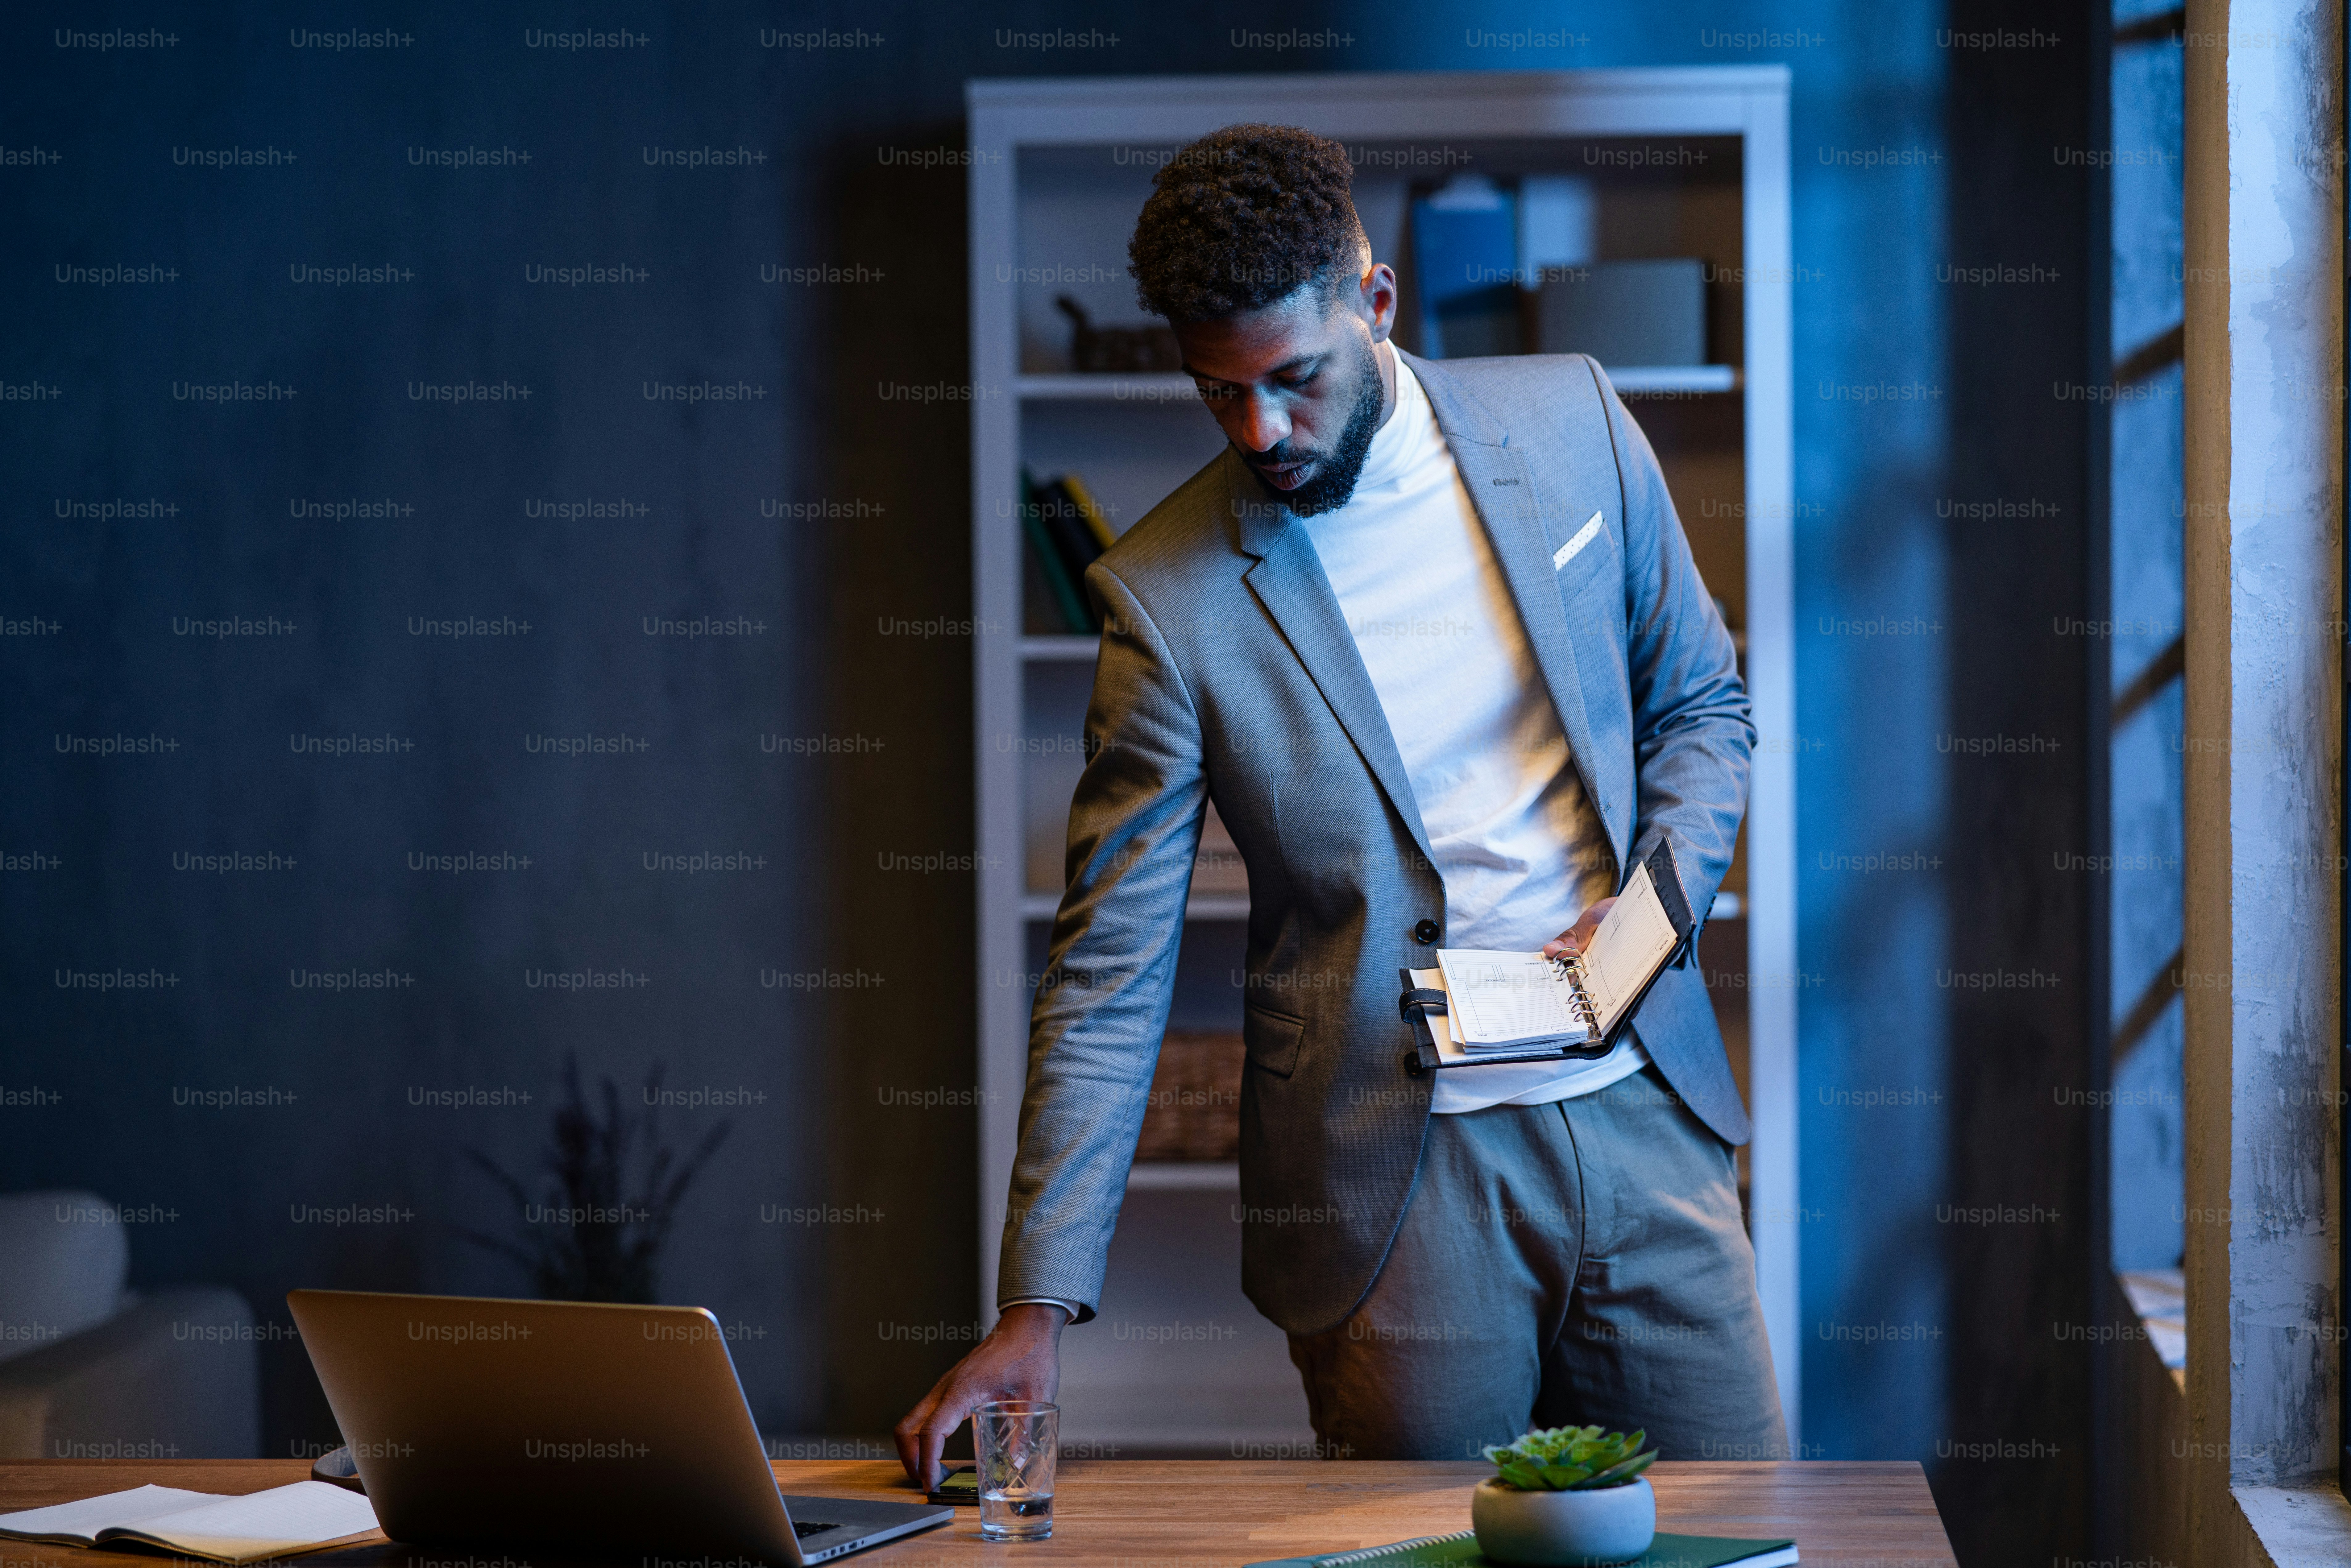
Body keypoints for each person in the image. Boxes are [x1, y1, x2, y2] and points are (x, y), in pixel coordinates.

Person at [897, 122, 1782, 1486]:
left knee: (1733, 1528)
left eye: (1295, 381)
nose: (1262, 430)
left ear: (1373, 302)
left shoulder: (1577, 421)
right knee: (1420, 1542)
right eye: (1219, 394)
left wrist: (1649, 915)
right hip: (1397, 1183)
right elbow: (1108, 970)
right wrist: (1038, 1304)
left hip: (1646, 1112)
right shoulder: (1163, 595)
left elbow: (1705, 709)